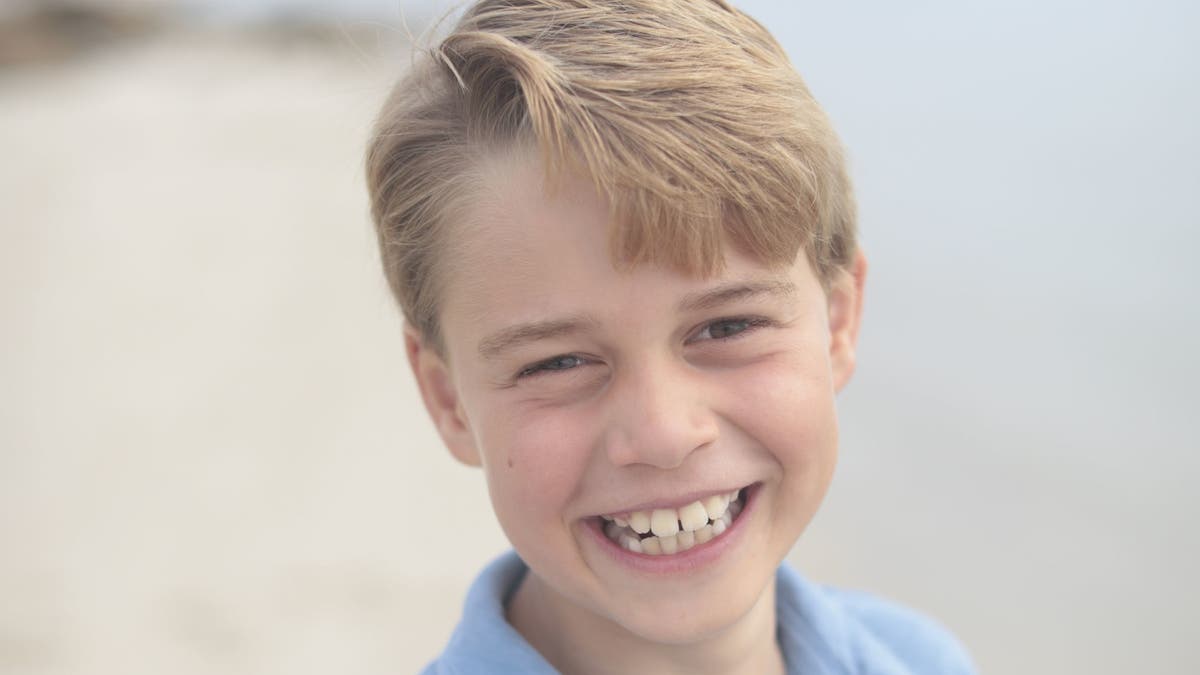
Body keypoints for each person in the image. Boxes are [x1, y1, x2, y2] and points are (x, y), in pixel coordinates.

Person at [365, 1, 976, 672]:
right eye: (558, 361)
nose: (662, 433)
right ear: (447, 398)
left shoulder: (921, 657)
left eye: (727, 326)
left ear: (836, 321)